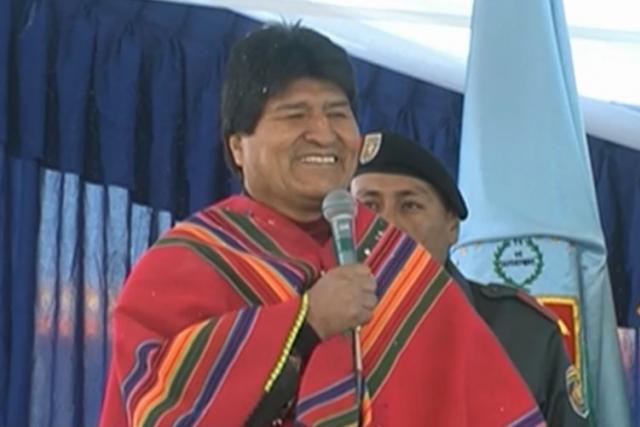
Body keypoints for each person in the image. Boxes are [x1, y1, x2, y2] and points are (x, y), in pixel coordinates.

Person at [99, 25, 544, 426]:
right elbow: (158, 405)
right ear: (237, 146)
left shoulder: (395, 258)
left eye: (337, 113)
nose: (323, 133)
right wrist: (305, 322)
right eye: (294, 115)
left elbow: (484, 400)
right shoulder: (186, 265)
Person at [351, 131, 589, 426]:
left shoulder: (524, 332)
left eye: (410, 206)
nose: (388, 225)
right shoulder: (323, 329)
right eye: (368, 207)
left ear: (452, 225)